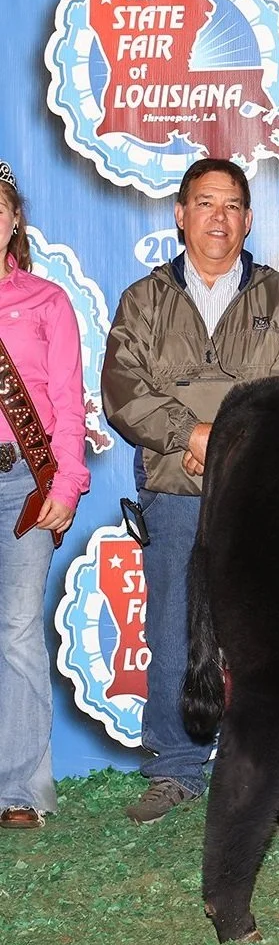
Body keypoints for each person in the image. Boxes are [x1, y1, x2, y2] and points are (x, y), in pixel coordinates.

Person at [102, 158, 279, 824]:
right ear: (180, 214)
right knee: (171, 625)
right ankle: (174, 767)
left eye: (231, 206)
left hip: (260, 493)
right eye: (204, 204)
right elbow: (123, 390)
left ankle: (265, 764)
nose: (218, 218)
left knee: (265, 634)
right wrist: (187, 434)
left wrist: (220, 437)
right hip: (173, 486)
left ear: (248, 219)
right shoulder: (143, 300)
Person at [0, 161, 90, 830]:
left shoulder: (47, 302)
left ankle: (20, 791)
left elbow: (66, 400)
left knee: (19, 631)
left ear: (14, 219)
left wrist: (66, 482)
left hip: (21, 486)